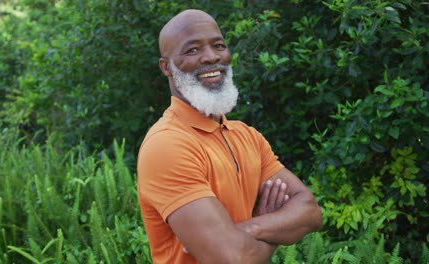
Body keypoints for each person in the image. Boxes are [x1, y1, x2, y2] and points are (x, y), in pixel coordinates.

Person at [137, 9, 322, 264]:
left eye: (218, 45)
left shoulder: (248, 136)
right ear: (166, 67)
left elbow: (310, 212)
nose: (211, 57)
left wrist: (249, 229)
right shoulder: (167, 144)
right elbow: (232, 258)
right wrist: (274, 229)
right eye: (192, 50)